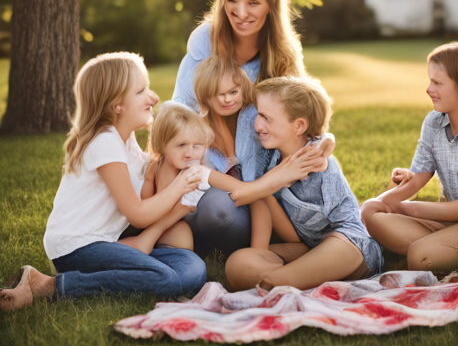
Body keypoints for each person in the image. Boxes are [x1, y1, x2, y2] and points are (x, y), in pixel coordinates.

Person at [0, 53, 206, 312]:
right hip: (77, 247)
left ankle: (135, 275)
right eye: (141, 91)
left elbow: (154, 170)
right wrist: (182, 184)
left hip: (107, 242)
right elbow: (138, 215)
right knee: (165, 279)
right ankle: (50, 285)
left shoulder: (126, 139)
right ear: (117, 105)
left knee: (194, 268)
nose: (153, 98)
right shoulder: (104, 142)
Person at [171, 0, 311, 258]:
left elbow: (306, 118)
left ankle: (245, 238)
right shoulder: (204, 42)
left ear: (271, 5)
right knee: (216, 214)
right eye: (232, 0)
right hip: (211, 165)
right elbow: (180, 110)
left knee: (237, 214)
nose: (241, 12)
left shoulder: (282, 55)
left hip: (264, 175)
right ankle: (196, 229)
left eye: (253, 3)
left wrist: (318, 148)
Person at [360, 42, 458, 273]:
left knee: (420, 257)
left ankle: (445, 249)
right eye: (430, 80)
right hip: (452, 218)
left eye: (437, 83)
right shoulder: (434, 121)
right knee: (370, 212)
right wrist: (383, 203)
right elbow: (420, 176)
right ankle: (445, 245)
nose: (429, 89)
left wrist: (410, 209)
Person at [224, 76, 383, 291]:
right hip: (308, 250)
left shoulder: (315, 157)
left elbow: (322, 141)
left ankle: (271, 284)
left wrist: (327, 140)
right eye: (258, 114)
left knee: (339, 246)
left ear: (299, 126)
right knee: (238, 264)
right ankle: (296, 280)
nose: (257, 124)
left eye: (266, 117)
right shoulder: (271, 158)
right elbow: (256, 195)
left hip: (351, 247)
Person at [194, 55, 303, 250]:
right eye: (219, 94)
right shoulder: (202, 128)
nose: (228, 99)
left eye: (233, 91)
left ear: (243, 87)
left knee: (263, 199)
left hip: (265, 185)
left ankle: (276, 248)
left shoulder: (254, 114)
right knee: (256, 199)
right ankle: (258, 252)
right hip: (231, 191)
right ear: (206, 97)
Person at [119, 101, 215, 254]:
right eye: (181, 145)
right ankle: (135, 248)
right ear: (164, 145)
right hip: (142, 221)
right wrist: (181, 209)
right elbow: (154, 208)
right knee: (177, 241)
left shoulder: (188, 167)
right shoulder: (162, 167)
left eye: (196, 145)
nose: (189, 153)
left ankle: (156, 252)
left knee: (183, 242)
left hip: (163, 222)